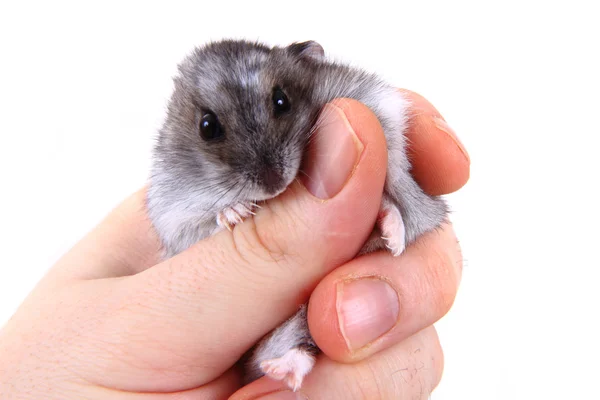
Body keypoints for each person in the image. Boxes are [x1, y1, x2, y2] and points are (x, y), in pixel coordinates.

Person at [0, 91, 470, 399]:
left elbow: (384, 110)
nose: (269, 175)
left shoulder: (332, 97)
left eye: (280, 104)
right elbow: (174, 235)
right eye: (212, 131)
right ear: (181, 130)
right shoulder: (174, 185)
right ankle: (296, 351)